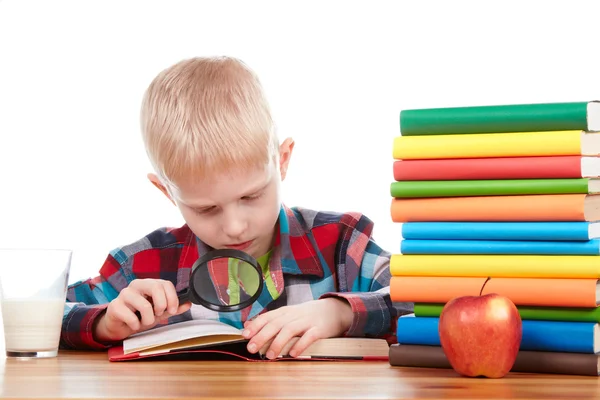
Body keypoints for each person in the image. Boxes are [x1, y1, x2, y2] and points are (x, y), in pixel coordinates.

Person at [60, 56, 413, 359]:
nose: (234, 226)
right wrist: (105, 323)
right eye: (207, 209)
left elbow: (426, 302)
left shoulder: (338, 243)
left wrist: (339, 313)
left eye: (251, 197)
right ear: (168, 192)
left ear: (282, 161)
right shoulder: (142, 266)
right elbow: (42, 313)